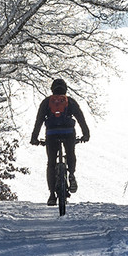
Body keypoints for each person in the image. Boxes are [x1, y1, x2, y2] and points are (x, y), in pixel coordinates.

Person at [29, 79, 90, 214]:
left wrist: (34, 138)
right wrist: (86, 134)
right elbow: (80, 118)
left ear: (52, 89)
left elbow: (39, 120)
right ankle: (72, 174)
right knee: (70, 153)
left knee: (51, 163)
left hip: (51, 134)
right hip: (68, 132)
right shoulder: (70, 101)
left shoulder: (46, 102)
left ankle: (52, 195)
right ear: (65, 89)